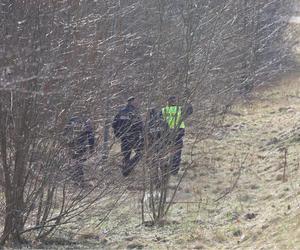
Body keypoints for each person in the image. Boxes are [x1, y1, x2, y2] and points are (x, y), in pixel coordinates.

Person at [112, 96, 144, 177]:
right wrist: (142, 135)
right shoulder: (135, 112)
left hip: (124, 137)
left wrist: (118, 134)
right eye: (135, 102)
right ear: (131, 102)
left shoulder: (121, 111)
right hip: (134, 137)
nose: (137, 103)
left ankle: (125, 173)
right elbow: (140, 125)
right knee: (140, 153)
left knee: (126, 155)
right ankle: (129, 167)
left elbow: (114, 124)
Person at [161, 96, 193, 175]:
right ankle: (174, 170)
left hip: (166, 133)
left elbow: (158, 121)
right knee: (177, 152)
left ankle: (166, 168)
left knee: (167, 151)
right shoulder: (179, 109)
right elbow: (190, 111)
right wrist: (188, 102)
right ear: (175, 102)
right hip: (178, 132)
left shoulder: (163, 110)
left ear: (167, 102)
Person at [64, 116, 95, 187]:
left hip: (72, 145)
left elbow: (65, 133)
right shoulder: (86, 120)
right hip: (82, 145)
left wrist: (67, 144)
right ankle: (79, 180)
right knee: (80, 162)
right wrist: (91, 147)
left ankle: (76, 179)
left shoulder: (71, 120)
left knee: (75, 161)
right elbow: (90, 135)